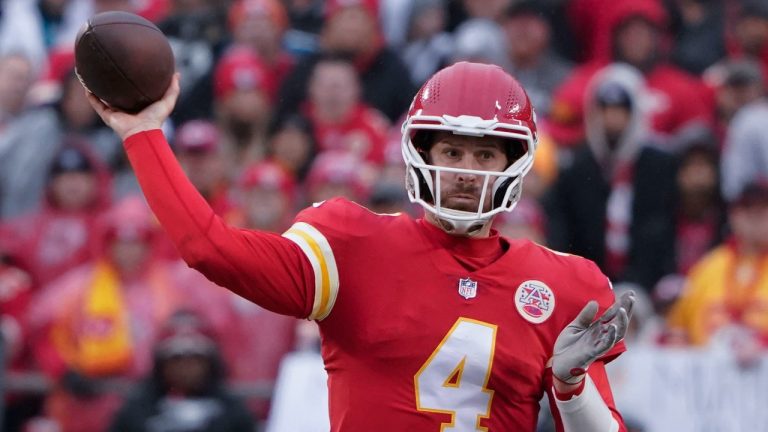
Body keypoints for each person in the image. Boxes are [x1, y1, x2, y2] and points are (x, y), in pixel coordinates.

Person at [86, 61, 635, 431]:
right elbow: (211, 249)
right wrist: (144, 133)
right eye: (452, 151)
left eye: (485, 156)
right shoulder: (354, 245)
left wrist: (569, 383)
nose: (467, 172)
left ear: (514, 166)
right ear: (421, 152)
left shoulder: (564, 284)